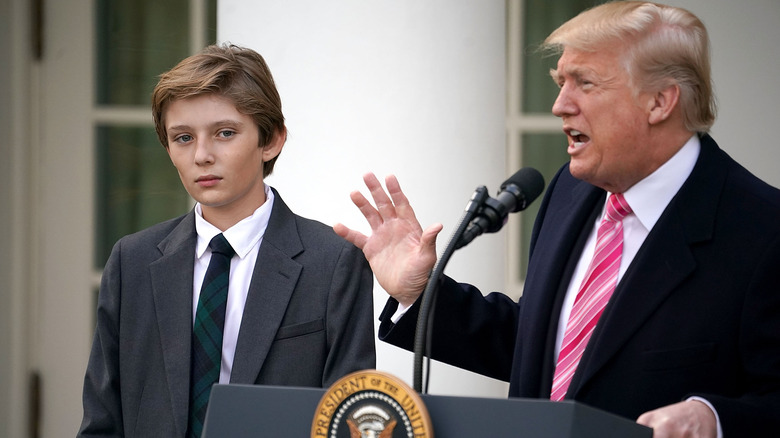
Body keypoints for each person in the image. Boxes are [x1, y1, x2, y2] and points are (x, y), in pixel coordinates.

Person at [334, 2, 780, 437]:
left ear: (660, 101)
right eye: (559, 81)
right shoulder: (571, 189)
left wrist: (713, 419)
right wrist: (423, 294)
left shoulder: (763, 231)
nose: (560, 105)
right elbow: (546, 347)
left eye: (584, 83)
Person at [79, 44, 376, 437]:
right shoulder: (130, 261)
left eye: (225, 133)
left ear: (270, 140)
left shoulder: (333, 261)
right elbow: (102, 421)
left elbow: (348, 422)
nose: (202, 155)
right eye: (183, 137)